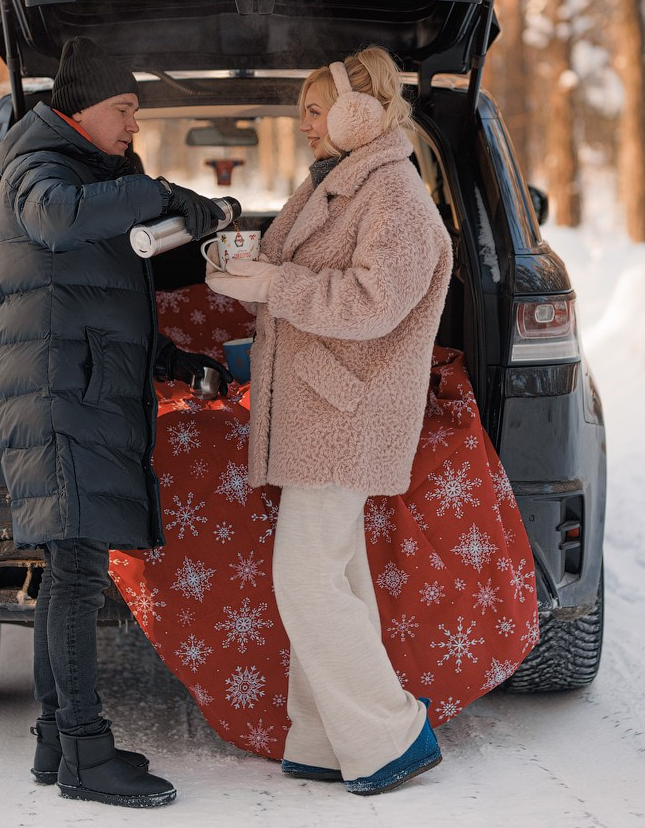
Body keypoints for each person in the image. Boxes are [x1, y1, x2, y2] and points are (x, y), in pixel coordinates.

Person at [0, 36, 232, 809]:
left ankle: (58, 743)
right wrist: (157, 191)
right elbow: (56, 220)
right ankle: (87, 755)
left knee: (71, 573)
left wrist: (172, 362)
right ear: (81, 108)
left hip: (81, 390)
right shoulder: (39, 166)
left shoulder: (95, 172)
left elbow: (101, 301)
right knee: (77, 575)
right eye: (124, 109)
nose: (133, 123)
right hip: (60, 400)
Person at [206, 46, 453, 796]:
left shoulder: (396, 195)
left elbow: (374, 305)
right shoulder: (341, 186)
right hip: (321, 405)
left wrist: (275, 283)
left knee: (306, 578)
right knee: (333, 572)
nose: (305, 124)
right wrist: (251, 281)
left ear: (360, 112)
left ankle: (391, 731)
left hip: (351, 411)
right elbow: (307, 282)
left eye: (317, 110)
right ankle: (322, 736)